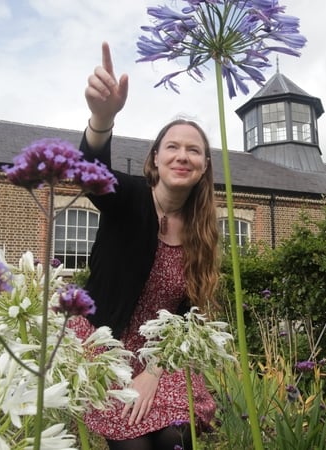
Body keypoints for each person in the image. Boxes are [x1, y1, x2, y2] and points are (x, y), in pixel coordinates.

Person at [67, 42, 220, 450]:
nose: (182, 155)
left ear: (204, 167)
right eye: (172, 147)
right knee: (134, 444)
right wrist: (102, 119)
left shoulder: (203, 231)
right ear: (155, 159)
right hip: (104, 343)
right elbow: (91, 175)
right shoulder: (130, 197)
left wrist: (154, 370)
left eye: (194, 150)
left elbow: (188, 313)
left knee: (174, 439)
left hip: (161, 355)